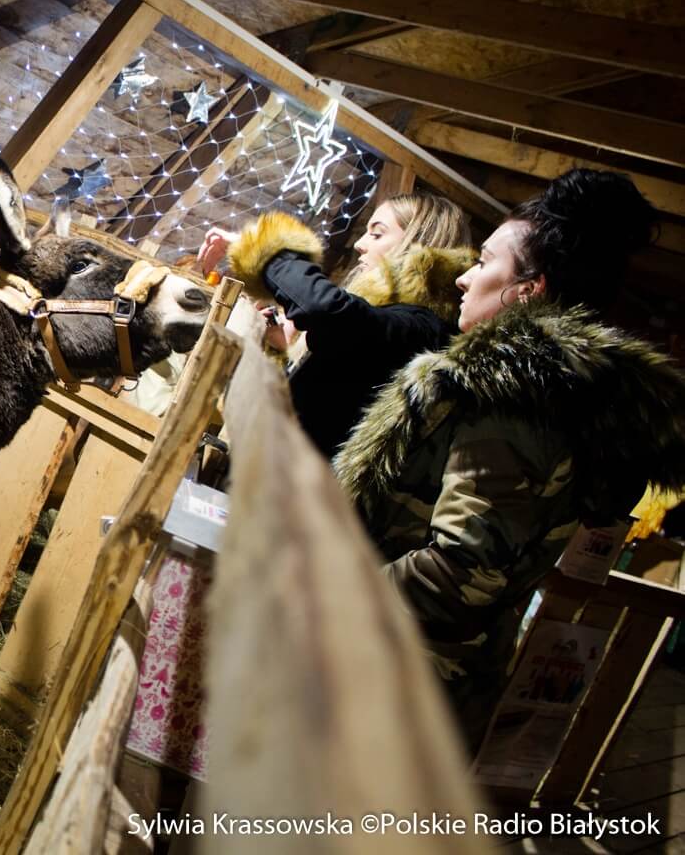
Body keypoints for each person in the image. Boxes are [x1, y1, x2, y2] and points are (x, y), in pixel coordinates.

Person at [331, 169, 685, 748]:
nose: (466, 276)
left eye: (485, 261)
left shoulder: (513, 402)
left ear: (528, 289)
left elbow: (462, 571)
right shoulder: (557, 396)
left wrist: (323, 587)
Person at [195, 192, 474, 458]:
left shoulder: (422, 328)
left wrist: (258, 249)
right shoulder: (387, 321)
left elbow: (325, 309)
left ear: (418, 246)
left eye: (377, 233)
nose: (360, 244)